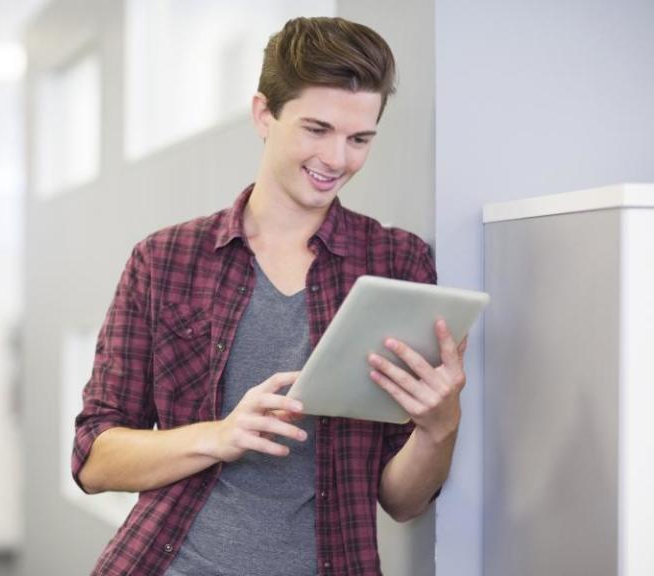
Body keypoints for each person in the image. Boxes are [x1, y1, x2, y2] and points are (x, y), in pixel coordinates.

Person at [72, 16, 468, 576]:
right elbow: (94, 459)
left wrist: (440, 424)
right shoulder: (165, 261)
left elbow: (401, 501)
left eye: (359, 139)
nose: (336, 159)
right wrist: (220, 435)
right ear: (264, 114)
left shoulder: (397, 264)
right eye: (316, 129)